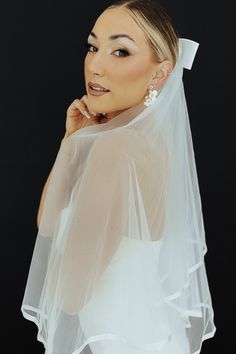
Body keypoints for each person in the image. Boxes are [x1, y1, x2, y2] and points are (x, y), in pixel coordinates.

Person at [21, 1, 216, 353]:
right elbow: (47, 224)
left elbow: (69, 295)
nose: (95, 65)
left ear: (160, 73)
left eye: (120, 51)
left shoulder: (118, 149)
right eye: (93, 47)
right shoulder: (142, 141)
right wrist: (71, 144)